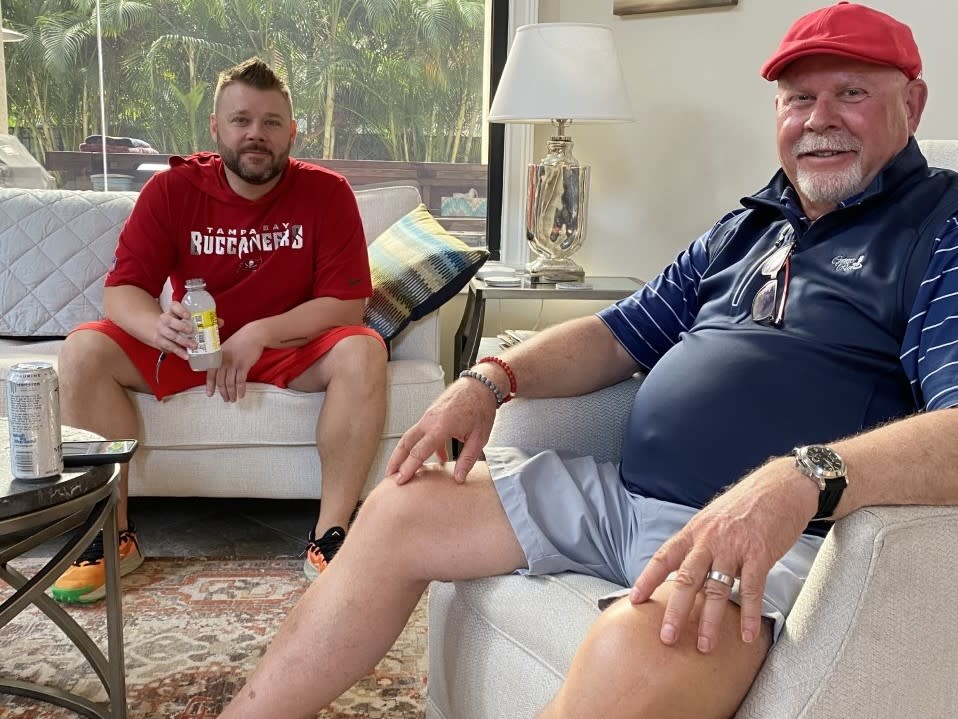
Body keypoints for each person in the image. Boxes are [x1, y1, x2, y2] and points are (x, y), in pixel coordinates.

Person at [217, 4, 958, 718]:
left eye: (850, 93)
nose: (818, 118)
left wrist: (799, 478)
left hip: (767, 539)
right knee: (403, 504)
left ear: (913, 103)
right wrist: (489, 378)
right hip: (626, 503)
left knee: (638, 650)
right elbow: (614, 335)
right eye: (798, 99)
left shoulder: (939, 227)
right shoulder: (747, 225)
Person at [52, 57, 388, 604]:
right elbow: (122, 292)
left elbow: (347, 304)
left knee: (364, 351)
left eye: (272, 122)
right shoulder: (171, 190)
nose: (256, 133)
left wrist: (259, 331)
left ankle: (331, 536)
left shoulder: (327, 193)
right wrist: (157, 324)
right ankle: (109, 536)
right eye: (241, 119)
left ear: (291, 133)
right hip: (194, 347)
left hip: (286, 346)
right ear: (216, 127)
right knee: (84, 347)